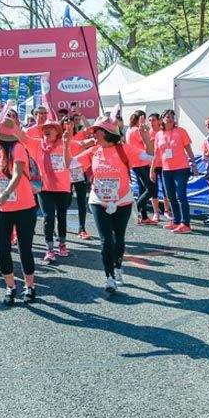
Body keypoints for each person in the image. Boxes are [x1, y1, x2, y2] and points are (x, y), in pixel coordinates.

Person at [73, 116, 134, 295]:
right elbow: (69, 161)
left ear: (105, 133)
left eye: (96, 131)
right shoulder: (93, 151)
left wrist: (146, 138)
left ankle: (118, 267)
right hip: (98, 201)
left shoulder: (124, 149)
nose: (93, 134)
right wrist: (71, 142)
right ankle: (110, 278)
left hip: (122, 200)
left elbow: (148, 156)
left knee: (119, 238)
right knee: (106, 240)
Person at [0, 115, 38, 305]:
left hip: (24, 206)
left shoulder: (18, 148)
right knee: (2, 249)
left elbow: (17, 174)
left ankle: (29, 286)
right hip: (2, 207)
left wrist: (6, 193)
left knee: (25, 249)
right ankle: (10, 287)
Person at [33, 117, 72, 263]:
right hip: (45, 188)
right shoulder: (38, 144)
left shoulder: (65, 142)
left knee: (62, 217)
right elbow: (22, 137)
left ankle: (62, 244)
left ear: (57, 132)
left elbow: (82, 145)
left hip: (62, 188)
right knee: (48, 218)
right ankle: (49, 249)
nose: (46, 130)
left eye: (50, 128)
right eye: (44, 128)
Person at [152, 109, 198, 233]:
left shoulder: (181, 131)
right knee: (171, 196)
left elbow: (189, 149)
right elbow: (156, 154)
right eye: (167, 116)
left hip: (181, 168)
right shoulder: (158, 134)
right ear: (162, 119)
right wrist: (152, 170)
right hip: (166, 169)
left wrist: (194, 165)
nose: (170, 119)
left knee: (181, 195)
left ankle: (186, 224)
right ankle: (176, 221)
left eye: (172, 116)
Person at [127, 111, 156, 225]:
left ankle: (144, 216)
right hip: (141, 162)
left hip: (136, 162)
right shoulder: (136, 130)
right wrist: (147, 132)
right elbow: (146, 141)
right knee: (151, 189)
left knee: (142, 190)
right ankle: (134, 212)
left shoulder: (129, 130)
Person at [65, 114, 92, 239]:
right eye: (67, 123)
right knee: (66, 200)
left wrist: (82, 115)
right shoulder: (59, 138)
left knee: (81, 200)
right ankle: (60, 224)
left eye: (73, 122)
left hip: (79, 171)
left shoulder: (80, 134)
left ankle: (82, 228)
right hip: (65, 173)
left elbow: (90, 130)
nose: (71, 125)